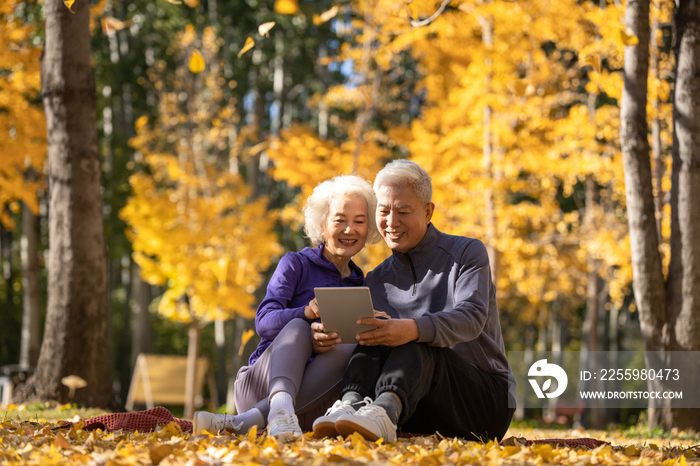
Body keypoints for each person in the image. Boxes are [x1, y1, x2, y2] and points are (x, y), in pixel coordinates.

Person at [311, 160, 516, 443]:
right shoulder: (376, 278)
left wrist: (411, 329)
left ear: (428, 212)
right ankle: (351, 404)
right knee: (371, 338)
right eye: (383, 211)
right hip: (415, 407)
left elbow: (472, 318)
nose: (391, 223)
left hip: (484, 404)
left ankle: (383, 412)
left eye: (403, 211)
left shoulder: (467, 253)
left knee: (418, 341)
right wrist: (326, 337)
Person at [193, 175, 381, 440]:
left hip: (313, 405)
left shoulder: (361, 284)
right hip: (261, 385)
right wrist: (305, 315)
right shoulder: (295, 264)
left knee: (353, 344)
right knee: (298, 326)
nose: (350, 230)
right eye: (340, 220)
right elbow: (264, 321)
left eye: (359, 221)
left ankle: (246, 422)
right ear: (322, 224)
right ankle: (275, 408)